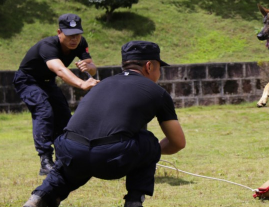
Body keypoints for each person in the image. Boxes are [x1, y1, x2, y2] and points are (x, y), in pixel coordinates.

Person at [23, 40, 186, 207]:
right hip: (111, 158)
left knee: (73, 163)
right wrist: (152, 152)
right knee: (148, 141)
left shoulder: (102, 84)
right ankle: (134, 202)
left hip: (70, 150)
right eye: (159, 68)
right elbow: (177, 142)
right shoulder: (158, 92)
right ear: (149, 66)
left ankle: (40, 197)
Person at [13, 13, 100, 176]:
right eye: (69, 35)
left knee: (64, 115)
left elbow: (92, 66)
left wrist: (89, 68)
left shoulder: (81, 43)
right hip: (28, 80)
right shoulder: (48, 45)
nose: (74, 39)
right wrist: (82, 83)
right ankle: (45, 161)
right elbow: (60, 70)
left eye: (77, 35)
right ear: (59, 32)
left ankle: (66, 156)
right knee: (43, 111)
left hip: (47, 82)